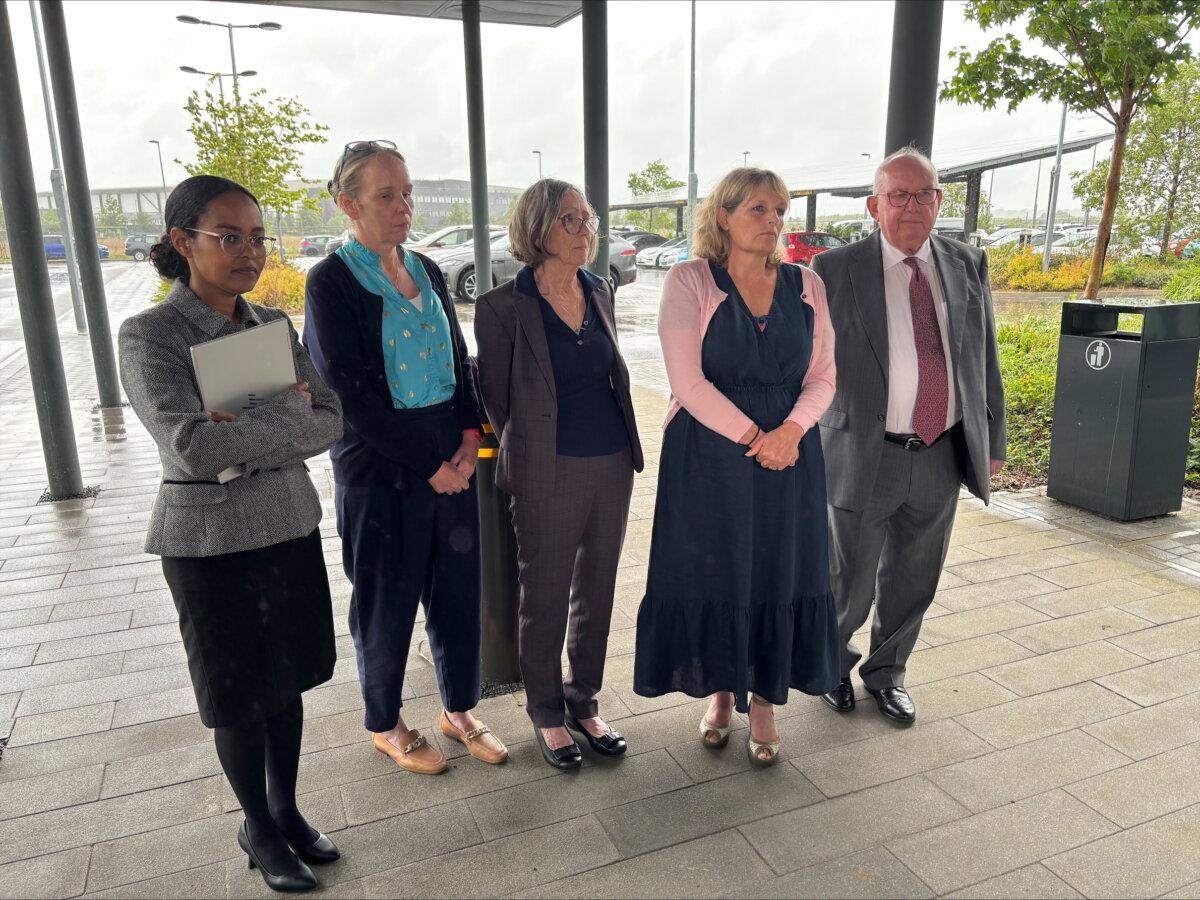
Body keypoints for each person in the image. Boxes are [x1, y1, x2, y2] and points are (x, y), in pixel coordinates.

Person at [118, 175, 344, 893]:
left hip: (287, 523)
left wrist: (245, 431)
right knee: (239, 696)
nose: (249, 251)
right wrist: (284, 415)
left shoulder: (271, 324)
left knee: (288, 683)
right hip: (208, 544)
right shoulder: (150, 336)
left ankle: (285, 810)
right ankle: (257, 826)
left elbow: (330, 419)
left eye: (257, 238)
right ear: (182, 242)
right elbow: (191, 446)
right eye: (228, 236)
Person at [303, 141, 508, 776]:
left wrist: (471, 437)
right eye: (386, 195)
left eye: (408, 192)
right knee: (385, 602)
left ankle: (459, 709)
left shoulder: (426, 268)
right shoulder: (331, 282)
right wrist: (430, 465)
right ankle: (387, 723)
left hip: (451, 453)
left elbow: (458, 359)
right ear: (348, 204)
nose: (404, 206)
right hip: (379, 466)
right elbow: (348, 392)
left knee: (458, 593)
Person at [633, 168, 840, 766]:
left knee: (779, 570)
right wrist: (757, 438)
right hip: (709, 457)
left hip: (791, 456)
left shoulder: (807, 284)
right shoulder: (690, 280)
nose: (773, 220)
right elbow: (686, 381)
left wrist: (791, 432)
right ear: (723, 215)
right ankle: (721, 692)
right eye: (758, 208)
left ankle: (765, 700)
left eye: (780, 210)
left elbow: (824, 375)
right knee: (716, 570)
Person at [812, 146, 1006, 725]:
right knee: (847, 579)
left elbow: (984, 357)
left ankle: (887, 674)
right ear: (875, 206)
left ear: (939, 201)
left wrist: (992, 439)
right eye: (898, 195)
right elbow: (808, 363)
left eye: (923, 194)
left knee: (915, 578)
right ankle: (830, 665)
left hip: (941, 452)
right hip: (863, 452)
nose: (912, 206)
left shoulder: (967, 262)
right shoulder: (834, 269)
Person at [475, 179, 644, 771]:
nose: (584, 230)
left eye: (587, 218)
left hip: (612, 462)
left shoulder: (599, 289)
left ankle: (584, 700)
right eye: (569, 220)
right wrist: (533, 450)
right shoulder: (502, 307)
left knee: (597, 588)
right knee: (544, 593)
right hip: (547, 468)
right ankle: (547, 711)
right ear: (537, 227)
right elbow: (497, 400)